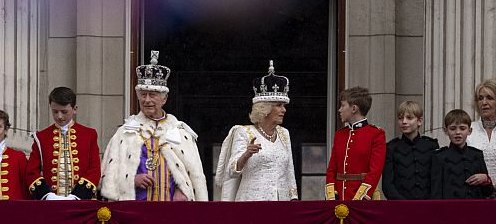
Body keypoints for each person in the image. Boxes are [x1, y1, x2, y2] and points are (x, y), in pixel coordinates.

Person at [100, 51, 207, 201]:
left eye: (152, 95)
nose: (147, 100)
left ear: (164, 99)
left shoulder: (181, 133)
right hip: (136, 207)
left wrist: (184, 190)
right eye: (143, 95)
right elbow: (108, 178)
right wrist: (132, 179)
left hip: (170, 208)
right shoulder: (124, 133)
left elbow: (194, 176)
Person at [215, 61, 298, 200]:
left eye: (284, 106)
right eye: (279, 105)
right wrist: (246, 154)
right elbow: (231, 171)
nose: (284, 110)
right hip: (252, 203)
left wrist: (293, 198)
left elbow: (290, 170)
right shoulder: (243, 132)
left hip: (281, 203)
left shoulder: (284, 133)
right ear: (265, 109)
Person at [25, 87, 100, 200]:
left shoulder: (89, 135)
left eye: (64, 112)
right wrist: (47, 195)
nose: (59, 116)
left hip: (82, 202)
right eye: (55, 111)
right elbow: (31, 172)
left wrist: (77, 196)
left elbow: (94, 169)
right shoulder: (41, 137)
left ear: (74, 109)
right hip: (50, 203)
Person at [325, 86, 386, 201]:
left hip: (363, 199)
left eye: (343, 105)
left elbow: (375, 171)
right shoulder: (340, 135)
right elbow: (332, 169)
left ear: (353, 108)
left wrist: (360, 197)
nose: (339, 110)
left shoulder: (376, 134)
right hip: (339, 198)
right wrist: (332, 195)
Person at [381, 100, 438, 199]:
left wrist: (429, 203)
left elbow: (436, 181)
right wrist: (404, 204)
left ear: (419, 121)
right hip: (400, 205)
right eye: (400, 118)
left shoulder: (431, 146)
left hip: (428, 205)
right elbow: (387, 185)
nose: (404, 122)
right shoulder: (391, 148)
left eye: (409, 118)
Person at [430, 109, 492, 199]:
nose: (458, 132)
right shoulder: (439, 157)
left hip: (475, 206)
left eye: (462, 128)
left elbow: (488, 192)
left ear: (470, 131)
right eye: (453, 128)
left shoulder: (477, 155)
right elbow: (436, 192)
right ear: (446, 131)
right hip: (450, 206)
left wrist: (485, 179)